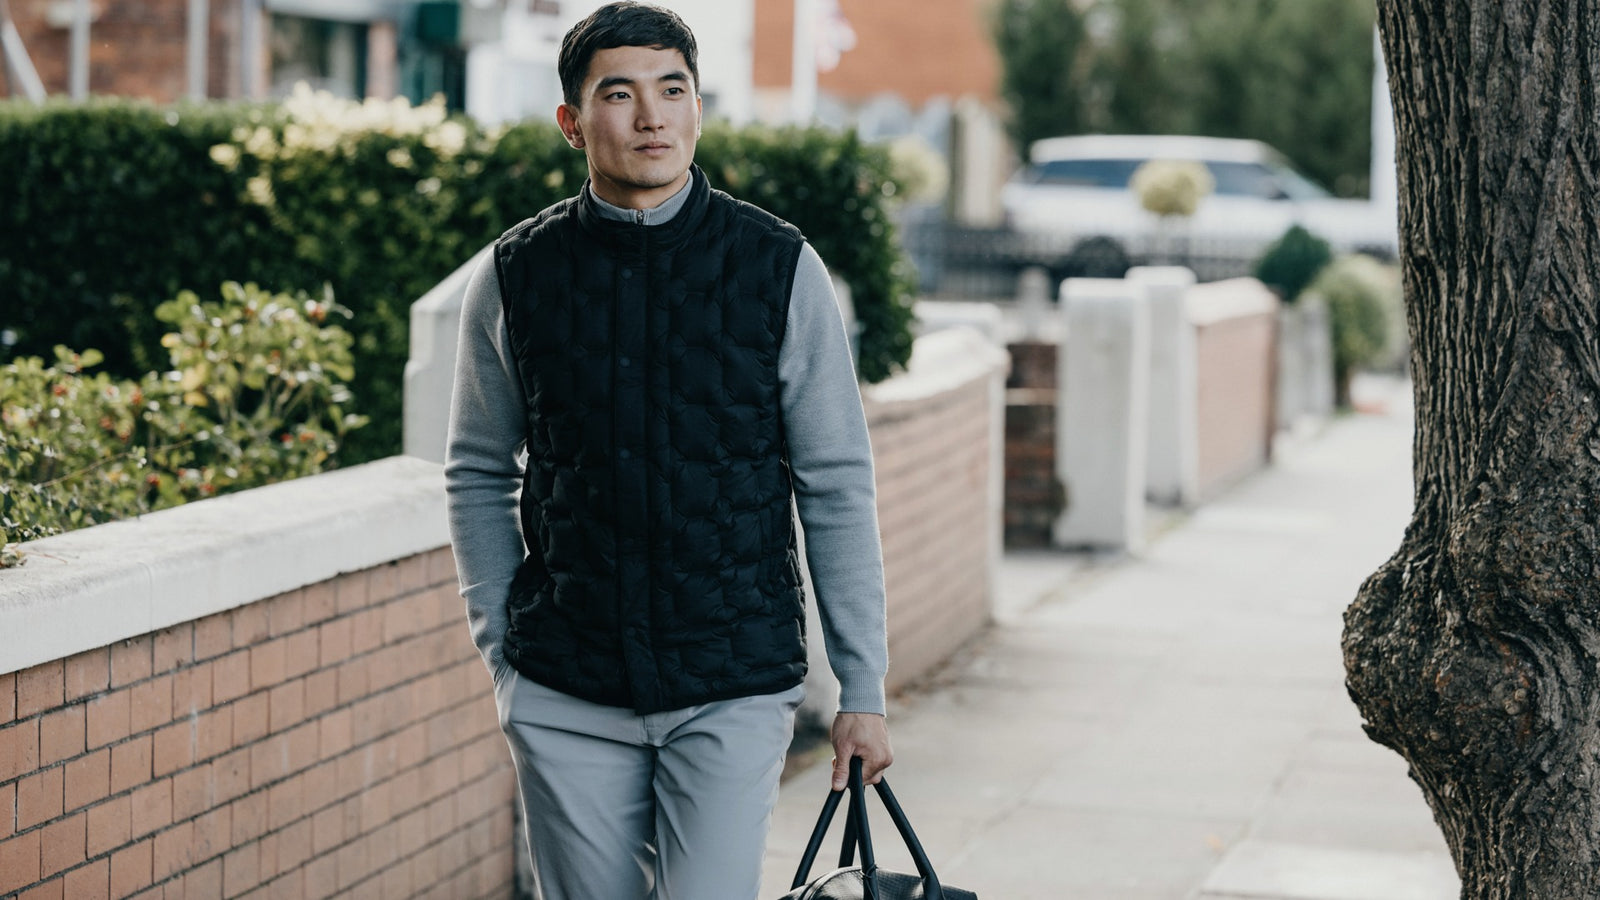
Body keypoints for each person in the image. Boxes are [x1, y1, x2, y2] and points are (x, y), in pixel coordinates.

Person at [443, 3, 891, 897]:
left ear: (697, 108)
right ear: (573, 122)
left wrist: (863, 686)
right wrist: (506, 656)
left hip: (733, 679)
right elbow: (478, 471)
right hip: (567, 686)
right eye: (620, 93)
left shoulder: (776, 267)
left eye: (672, 89)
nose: (651, 116)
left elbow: (836, 482)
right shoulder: (515, 275)